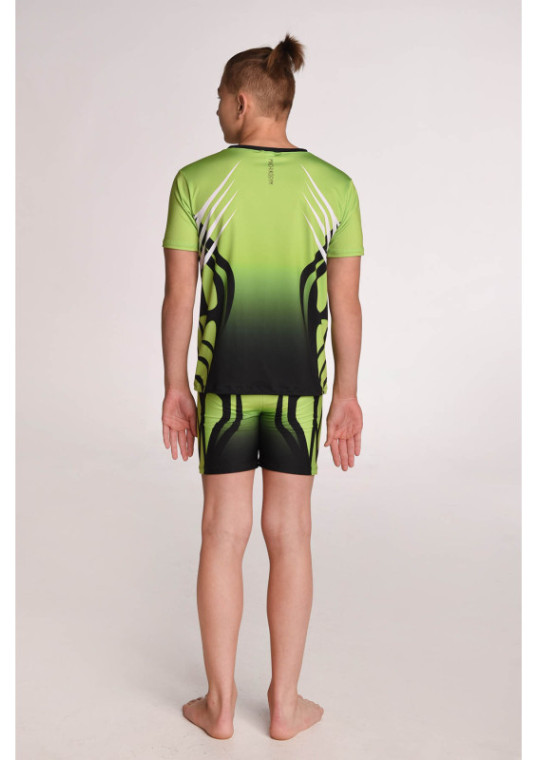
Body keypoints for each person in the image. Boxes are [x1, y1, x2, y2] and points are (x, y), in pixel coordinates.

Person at [160, 33, 365, 741]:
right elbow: (346, 305)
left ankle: (219, 707)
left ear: (243, 102)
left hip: (222, 388)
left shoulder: (194, 181)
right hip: (300, 393)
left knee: (222, 532)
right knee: (291, 533)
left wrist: (174, 386)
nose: (217, 110)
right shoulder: (336, 188)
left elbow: (179, 298)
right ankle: (284, 704)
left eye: (221, 99)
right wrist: (346, 394)